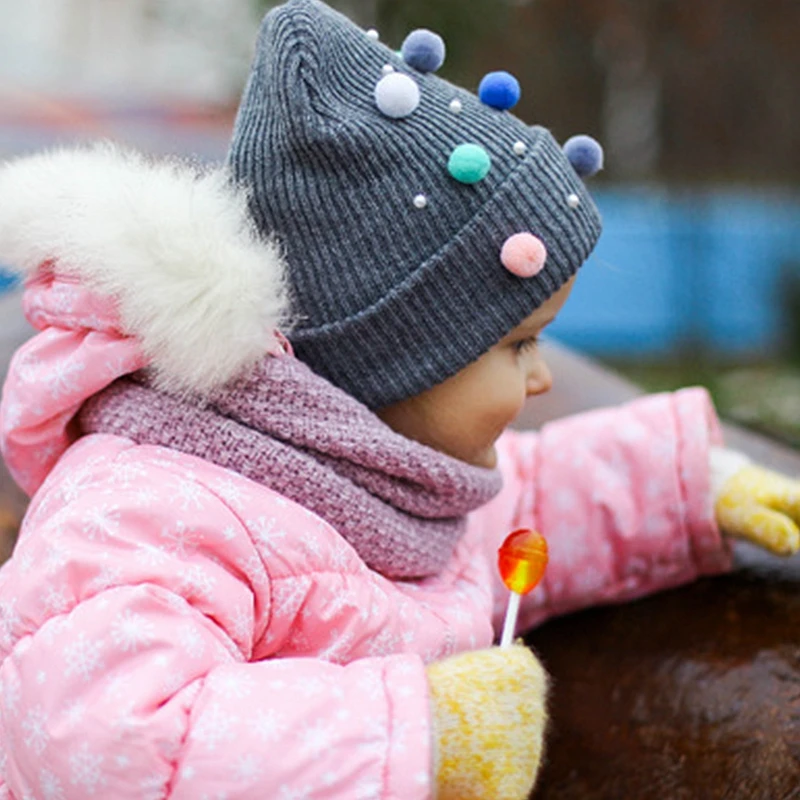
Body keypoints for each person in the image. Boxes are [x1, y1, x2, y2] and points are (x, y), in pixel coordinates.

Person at [0, 1, 798, 797]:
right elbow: (105, 741)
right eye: (516, 345)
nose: (542, 378)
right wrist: (422, 733)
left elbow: (528, 503)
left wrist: (689, 482)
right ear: (391, 358)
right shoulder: (147, 514)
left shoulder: (386, 480)